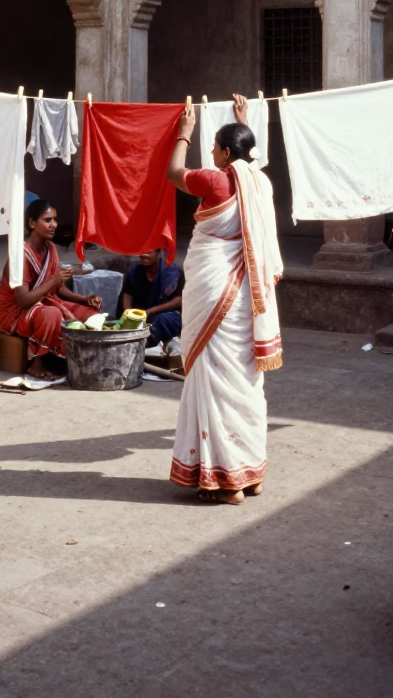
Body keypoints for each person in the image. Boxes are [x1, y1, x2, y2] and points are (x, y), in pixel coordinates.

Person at [167, 94, 283, 504]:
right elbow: (249, 163)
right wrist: (243, 122)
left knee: (215, 382)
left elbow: (174, 172)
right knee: (245, 382)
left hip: (215, 291)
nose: (211, 152)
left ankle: (227, 482)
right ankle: (251, 474)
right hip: (244, 300)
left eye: (215, 147)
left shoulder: (216, 180)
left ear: (225, 153)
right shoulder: (259, 181)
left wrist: (184, 134)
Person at [0, 199, 103, 379]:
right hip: (15, 312)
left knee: (91, 314)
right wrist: (54, 281)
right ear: (32, 223)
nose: (54, 224)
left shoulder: (50, 248)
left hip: (45, 303)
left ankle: (80, 359)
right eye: (47, 220)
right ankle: (38, 362)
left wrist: (83, 299)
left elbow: (58, 289)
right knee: (52, 315)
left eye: (54, 219)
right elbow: (23, 301)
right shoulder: (20, 256)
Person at [121, 250, 184, 347]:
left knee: (161, 321)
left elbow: (178, 301)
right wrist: (129, 313)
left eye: (149, 252)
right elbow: (127, 294)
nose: (144, 255)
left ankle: (140, 346)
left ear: (158, 253)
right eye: (141, 252)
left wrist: (149, 312)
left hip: (166, 316)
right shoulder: (134, 271)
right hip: (141, 316)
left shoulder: (172, 272)